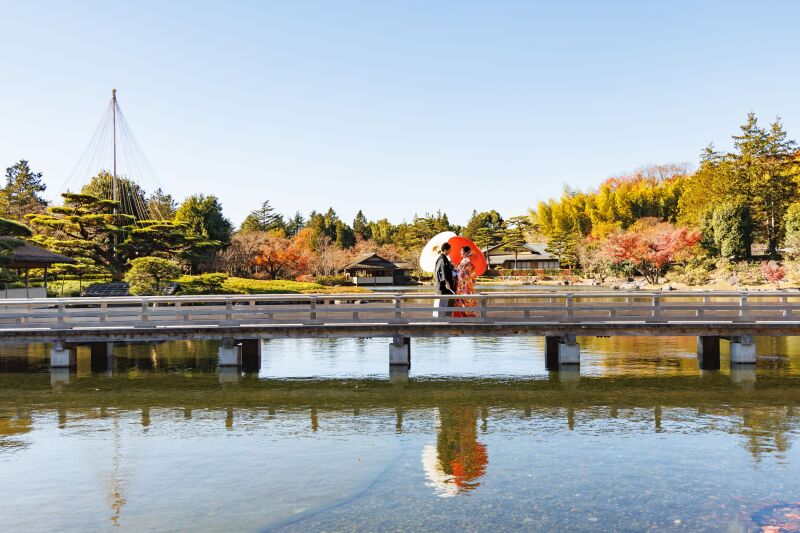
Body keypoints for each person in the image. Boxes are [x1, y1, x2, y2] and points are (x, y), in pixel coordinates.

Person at [454, 245, 478, 318]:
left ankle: (466, 315)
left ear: (467, 252)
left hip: (465, 285)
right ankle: (462, 315)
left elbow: (469, 274)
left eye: (462, 251)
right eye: (461, 251)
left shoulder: (468, 261)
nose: (460, 253)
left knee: (465, 299)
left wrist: (464, 273)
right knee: (461, 299)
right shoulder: (463, 261)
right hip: (461, 284)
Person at [433, 242, 456, 317]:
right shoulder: (442, 259)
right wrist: (447, 283)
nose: (450, 252)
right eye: (449, 250)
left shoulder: (443, 258)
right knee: (441, 302)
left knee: (442, 302)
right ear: (445, 250)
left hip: (443, 286)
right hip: (444, 286)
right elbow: (443, 272)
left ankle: (440, 318)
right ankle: (439, 319)